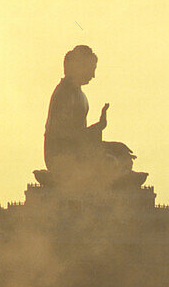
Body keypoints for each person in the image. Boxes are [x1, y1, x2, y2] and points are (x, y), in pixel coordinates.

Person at [42, 45, 145, 189]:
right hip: (62, 156)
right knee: (110, 162)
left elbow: (79, 137)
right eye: (92, 69)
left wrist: (104, 136)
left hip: (77, 150)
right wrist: (98, 130)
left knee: (122, 155)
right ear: (79, 67)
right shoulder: (64, 94)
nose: (93, 75)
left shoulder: (78, 94)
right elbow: (64, 137)